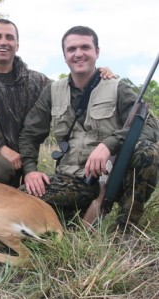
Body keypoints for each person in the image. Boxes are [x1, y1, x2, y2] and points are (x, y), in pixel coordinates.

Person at [18, 26, 159, 228]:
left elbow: (150, 125)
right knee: (23, 199)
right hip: (73, 179)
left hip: (114, 178)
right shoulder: (52, 91)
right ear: (64, 56)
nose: (79, 54)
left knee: (148, 152)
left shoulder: (117, 87)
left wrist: (110, 144)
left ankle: (127, 228)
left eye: (85, 47)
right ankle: (76, 215)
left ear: (97, 52)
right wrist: (30, 170)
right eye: (72, 49)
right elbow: (29, 134)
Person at [0, 19, 115, 188]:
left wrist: (96, 76)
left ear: (17, 45)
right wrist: (0, 149)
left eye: (9, 38)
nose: (3, 42)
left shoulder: (36, 81)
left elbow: (69, 91)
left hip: (21, 159)